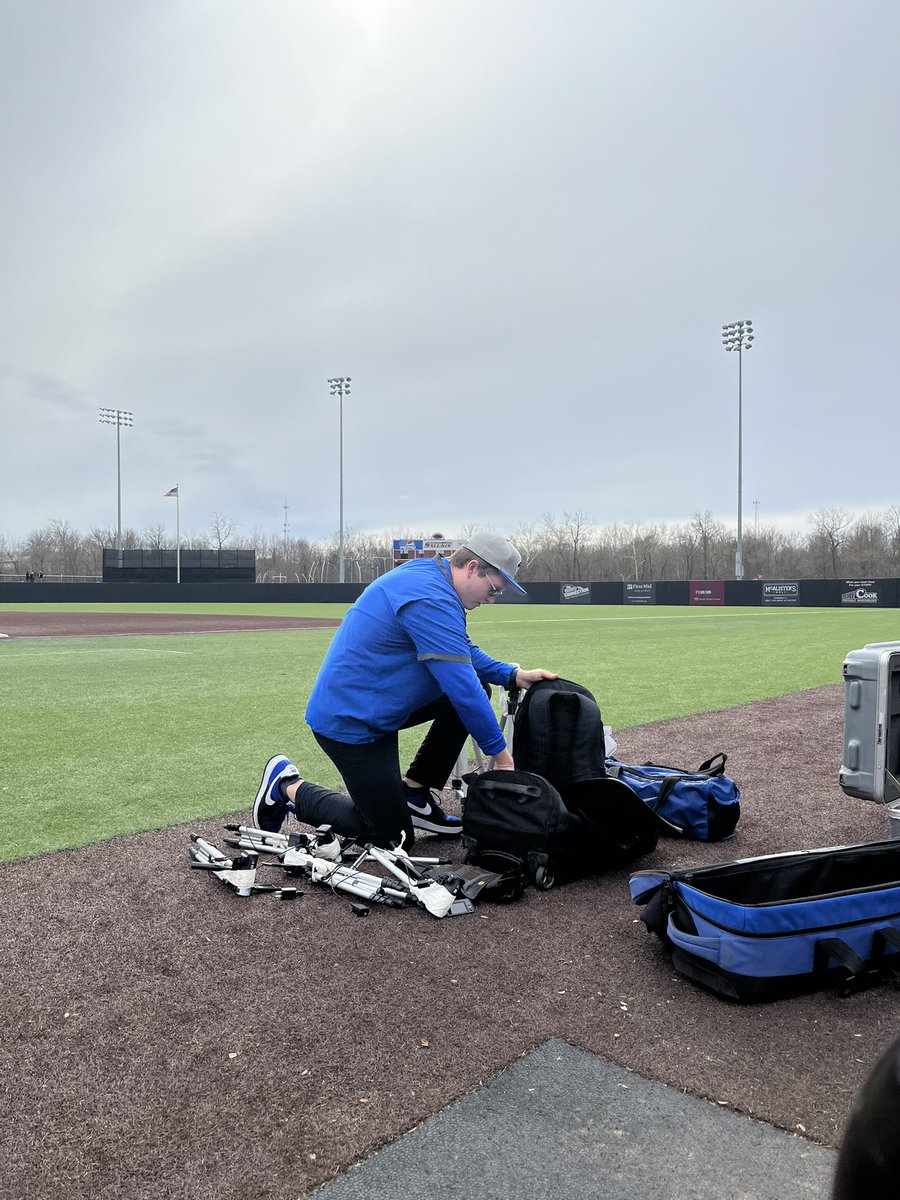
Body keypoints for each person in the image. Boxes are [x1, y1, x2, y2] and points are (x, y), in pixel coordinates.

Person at [251, 532, 557, 851]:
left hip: (378, 707)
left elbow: (459, 651)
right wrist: (503, 759)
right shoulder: (429, 596)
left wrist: (511, 674)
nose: (491, 600)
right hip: (351, 723)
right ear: (471, 566)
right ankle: (286, 785)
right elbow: (462, 688)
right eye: (493, 589)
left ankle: (413, 795)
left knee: (476, 685)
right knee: (392, 839)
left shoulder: (434, 577)